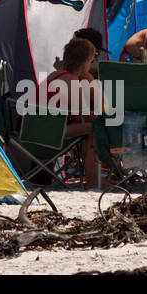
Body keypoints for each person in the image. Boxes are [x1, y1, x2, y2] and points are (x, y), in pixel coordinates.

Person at [34, 36, 101, 188]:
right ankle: (93, 184)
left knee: (92, 125)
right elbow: (80, 117)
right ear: (85, 64)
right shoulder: (70, 80)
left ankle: (92, 180)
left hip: (33, 130)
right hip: (48, 132)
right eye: (91, 61)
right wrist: (100, 115)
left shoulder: (56, 75)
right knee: (95, 128)